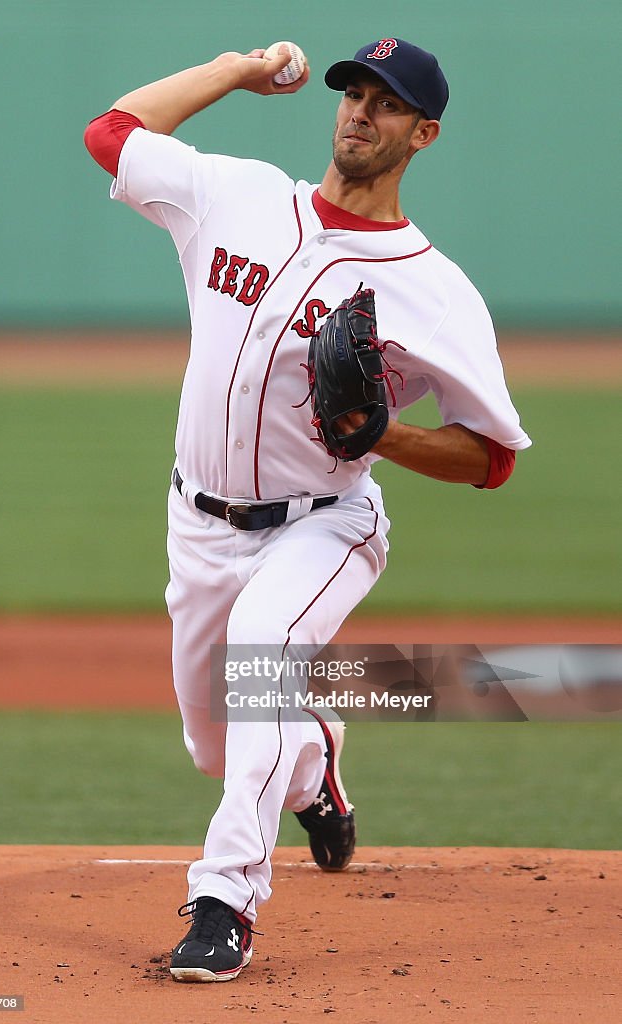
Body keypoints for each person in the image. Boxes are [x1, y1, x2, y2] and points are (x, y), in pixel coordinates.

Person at [84, 36, 531, 983]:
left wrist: (384, 436)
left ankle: (223, 902)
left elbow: (491, 458)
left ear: (423, 132)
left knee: (259, 666)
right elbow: (111, 132)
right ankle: (317, 754)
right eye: (353, 93)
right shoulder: (236, 196)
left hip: (321, 524)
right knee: (215, 739)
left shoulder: (435, 290)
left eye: (386, 102)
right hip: (197, 525)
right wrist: (236, 72)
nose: (361, 112)